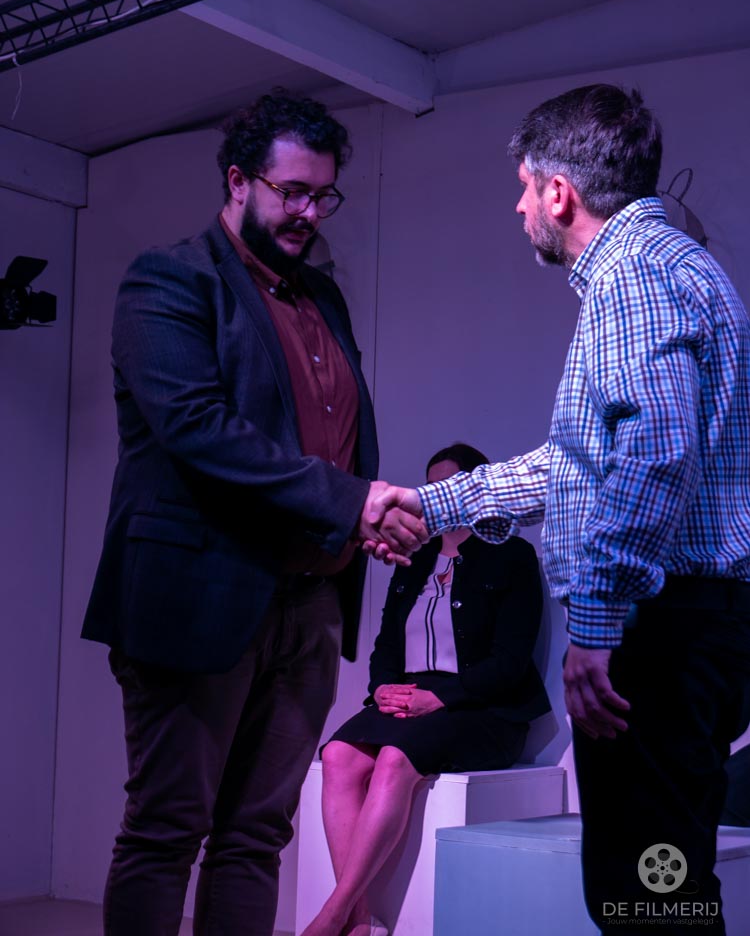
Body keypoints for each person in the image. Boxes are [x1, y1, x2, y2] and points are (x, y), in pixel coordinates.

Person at [368, 85, 750, 933]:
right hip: (691, 627)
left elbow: (653, 454)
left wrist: (598, 626)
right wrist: (433, 503)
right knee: (662, 887)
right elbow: (581, 464)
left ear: (559, 193)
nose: (518, 206)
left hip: (660, 635)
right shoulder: (670, 266)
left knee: (647, 899)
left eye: (523, 186)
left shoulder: (634, 276)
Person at [81, 90, 423, 936]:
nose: (309, 212)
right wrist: (353, 502)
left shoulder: (323, 298)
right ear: (239, 181)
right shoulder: (169, 279)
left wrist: (360, 519)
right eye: (291, 191)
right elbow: (199, 430)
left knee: (256, 837)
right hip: (199, 596)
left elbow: (331, 436)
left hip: (310, 602)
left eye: (323, 195)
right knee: (167, 830)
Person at [301, 442, 549, 936]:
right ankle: (359, 918)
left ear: (473, 489)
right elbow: (386, 645)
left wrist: (441, 698)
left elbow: (511, 662)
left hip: (483, 707)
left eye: (448, 485)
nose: (436, 495)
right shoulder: (413, 559)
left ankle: (333, 915)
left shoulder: (512, 556)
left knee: (395, 758)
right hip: (411, 697)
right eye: (431, 485)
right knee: (338, 755)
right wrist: (382, 689)